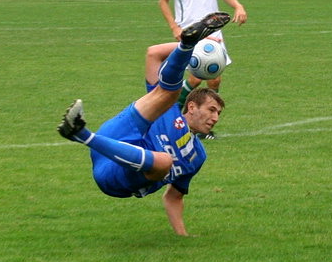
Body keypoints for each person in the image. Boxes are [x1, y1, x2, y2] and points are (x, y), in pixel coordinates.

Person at [57, 12, 230, 236]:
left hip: (115, 178)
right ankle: (186, 46)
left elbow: (173, 197)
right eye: (211, 110)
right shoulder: (169, 111)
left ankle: (81, 134)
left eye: (218, 113)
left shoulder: (197, 155)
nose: (215, 118)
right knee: (166, 94)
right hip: (117, 135)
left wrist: (183, 236)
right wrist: (194, 44)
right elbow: (153, 54)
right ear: (192, 107)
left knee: (164, 160)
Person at [158, 0, 248, 134]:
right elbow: (163, 1)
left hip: (214, 29)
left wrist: (238, 6)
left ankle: (204, 125)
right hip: (190, 32)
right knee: (196, 78)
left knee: (215, 78)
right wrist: (174, 27)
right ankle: (177, 121)